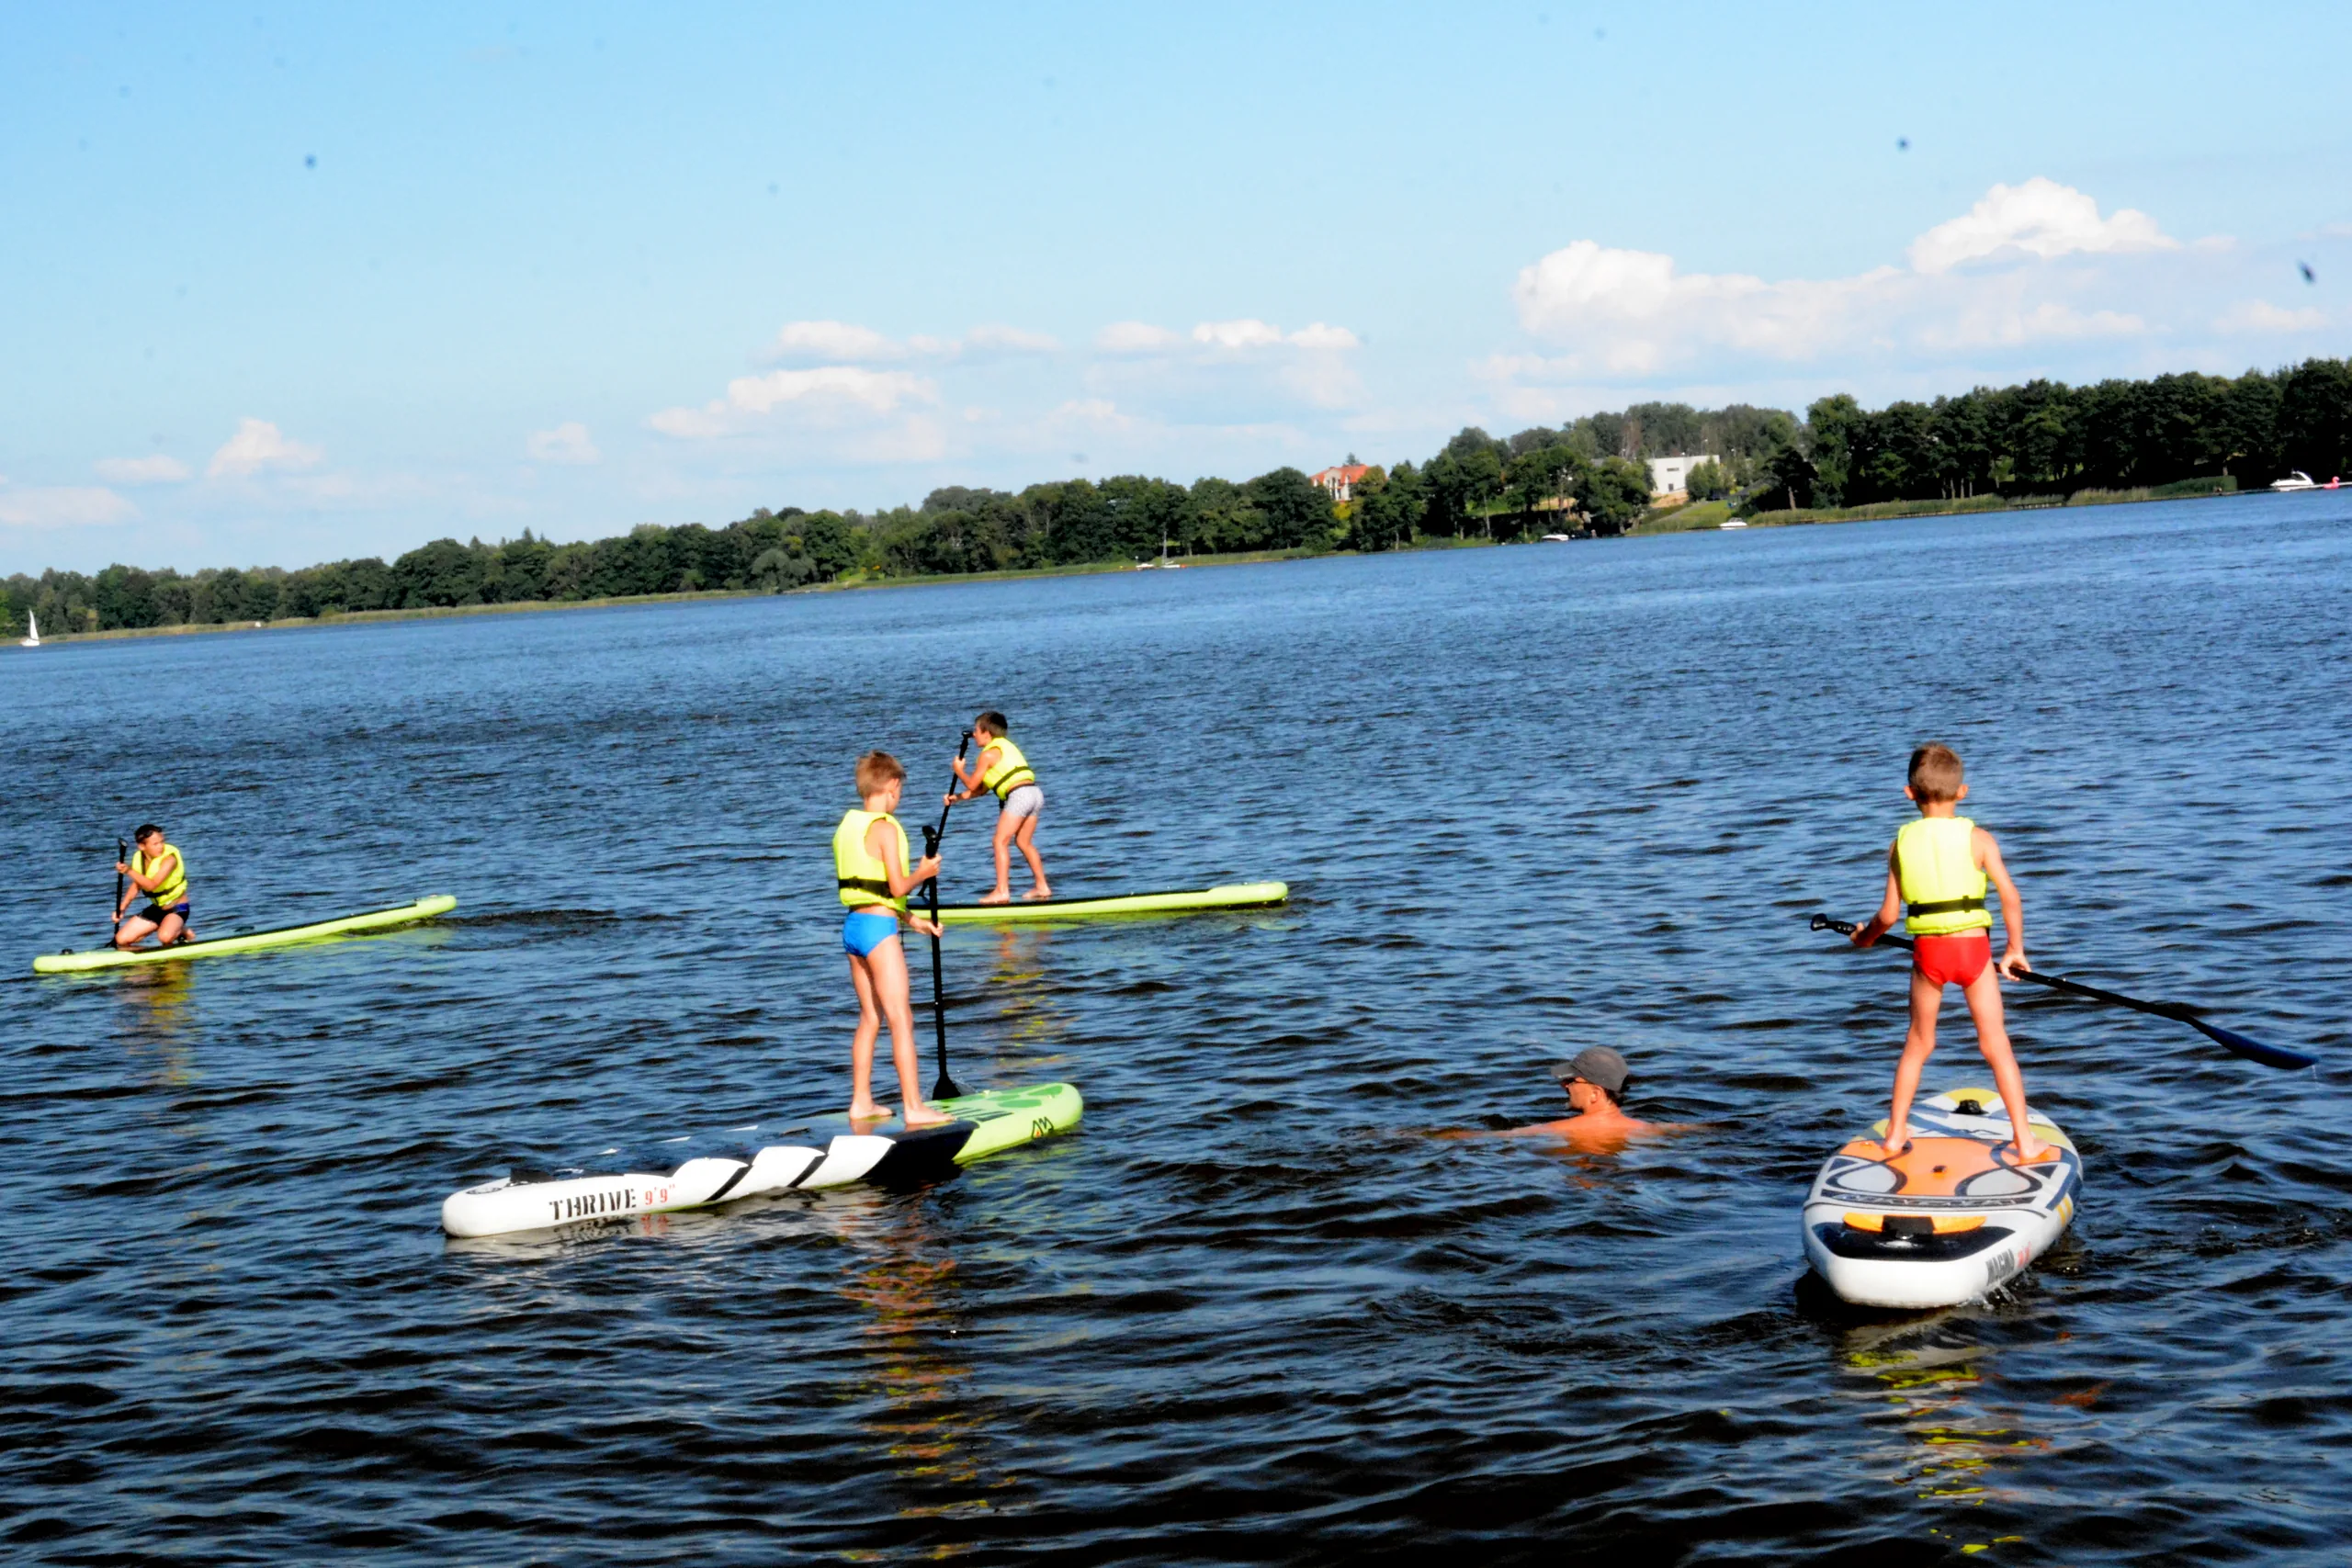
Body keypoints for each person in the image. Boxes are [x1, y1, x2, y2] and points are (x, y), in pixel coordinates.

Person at [1849, 742, 2047, 1162]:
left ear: (1909, 793)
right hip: (1974, 953)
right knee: (1996, 1045)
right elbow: (2011, 898)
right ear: (1962, 792)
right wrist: (2014, 950)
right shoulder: (1980, 839)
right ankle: (2025, 1142)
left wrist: (1865, 938)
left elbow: (1888, 915)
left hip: (1929, 955)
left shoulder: (1899, 844)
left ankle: (1894, 1135)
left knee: (1918, 1043)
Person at [833, 752, 952, 1127]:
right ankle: (914, 1107)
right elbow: (899, 886)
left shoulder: (847, 826)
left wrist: (912, 919)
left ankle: (861, 1103)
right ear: (892, 787)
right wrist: (924, 871)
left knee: (870, 1018)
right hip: (878, 934)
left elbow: (875, 892)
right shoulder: (885, 828)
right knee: (901, 1019)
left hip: (854, 928)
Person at [945, 710, 1051, 905]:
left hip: (1019, 796)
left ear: (987, 733)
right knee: (1023, 842)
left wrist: (959, 770)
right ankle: (1042, 886)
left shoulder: (987, 755)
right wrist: (957, 798)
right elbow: (980, 790)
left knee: (999, 841)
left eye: (976, 730)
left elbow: (971, 784)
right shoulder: (1005, 749)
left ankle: (1002, 891)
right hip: (1035, 793)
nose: (974, 734)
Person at [114, 824, 191, 950]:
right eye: (155, 844)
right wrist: (121, 909)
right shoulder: (139, 858)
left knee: (165, 937)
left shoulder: (170, 859)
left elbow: (152, 885)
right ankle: (166, 927)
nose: (161, 846)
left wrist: (129, 871)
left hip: (177, 907)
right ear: (142, 846)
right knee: (121, 939)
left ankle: (182, 931)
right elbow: (137, 885)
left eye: (162, 842)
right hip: (158, 908)